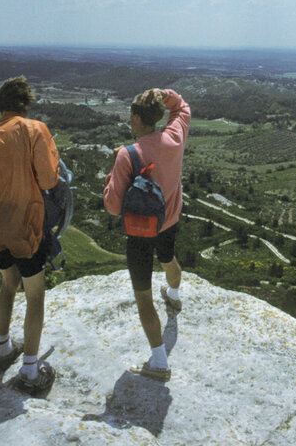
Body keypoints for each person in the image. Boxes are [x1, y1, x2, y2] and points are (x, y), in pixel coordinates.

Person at [0, 75, 60, 396]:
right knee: (35, 295)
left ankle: (3, 349)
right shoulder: (35, 130)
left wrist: (0, 186)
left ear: (0, 104)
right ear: (25, 103)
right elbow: (48, 180)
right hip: (25, 226)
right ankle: (30, 371)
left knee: (8, 284)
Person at [104, 88, 190, 382]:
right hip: (168, 221)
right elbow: (182, 108)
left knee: (144, 298)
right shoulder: (174, 138)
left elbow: (113, 206)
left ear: (136, 118)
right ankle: (174, 296)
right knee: (168, 258)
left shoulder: (128, 154)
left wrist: (113, 171)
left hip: (140, 231)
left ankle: (159, 362)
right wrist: (164, 94)